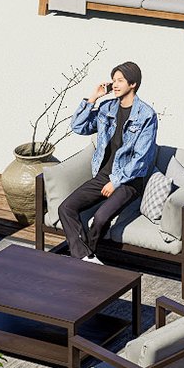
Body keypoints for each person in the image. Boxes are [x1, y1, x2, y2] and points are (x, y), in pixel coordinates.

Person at [56, 62, 159, 261]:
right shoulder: (107, 108)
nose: (115, 85)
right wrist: (93, 98)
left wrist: (116, 181)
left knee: (101, 217)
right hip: (102, 175)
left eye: (120, 80)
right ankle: (86, 258)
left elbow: (141, 159)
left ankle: (85, 255)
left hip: (129, 181)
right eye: (113, 81)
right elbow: (78, 127)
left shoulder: (146, 115)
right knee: (66, 208)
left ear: (133, 84)